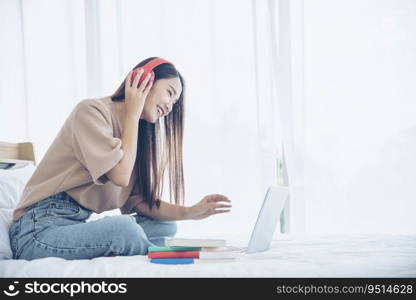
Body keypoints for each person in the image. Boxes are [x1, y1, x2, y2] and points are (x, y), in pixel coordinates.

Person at [9, 57, 232, 260]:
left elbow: (139, 202)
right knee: (124, 230)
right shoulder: (90, 112)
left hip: (72, 223)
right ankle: (170, 253)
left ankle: (146, 246)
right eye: (170, 93)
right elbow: (120, 176)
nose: (170, 107)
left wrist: (191, 212)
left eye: (175, 102)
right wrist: (133, 112)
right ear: (143, 80)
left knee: (164, 227)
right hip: (36, 232)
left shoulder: (135, 136)